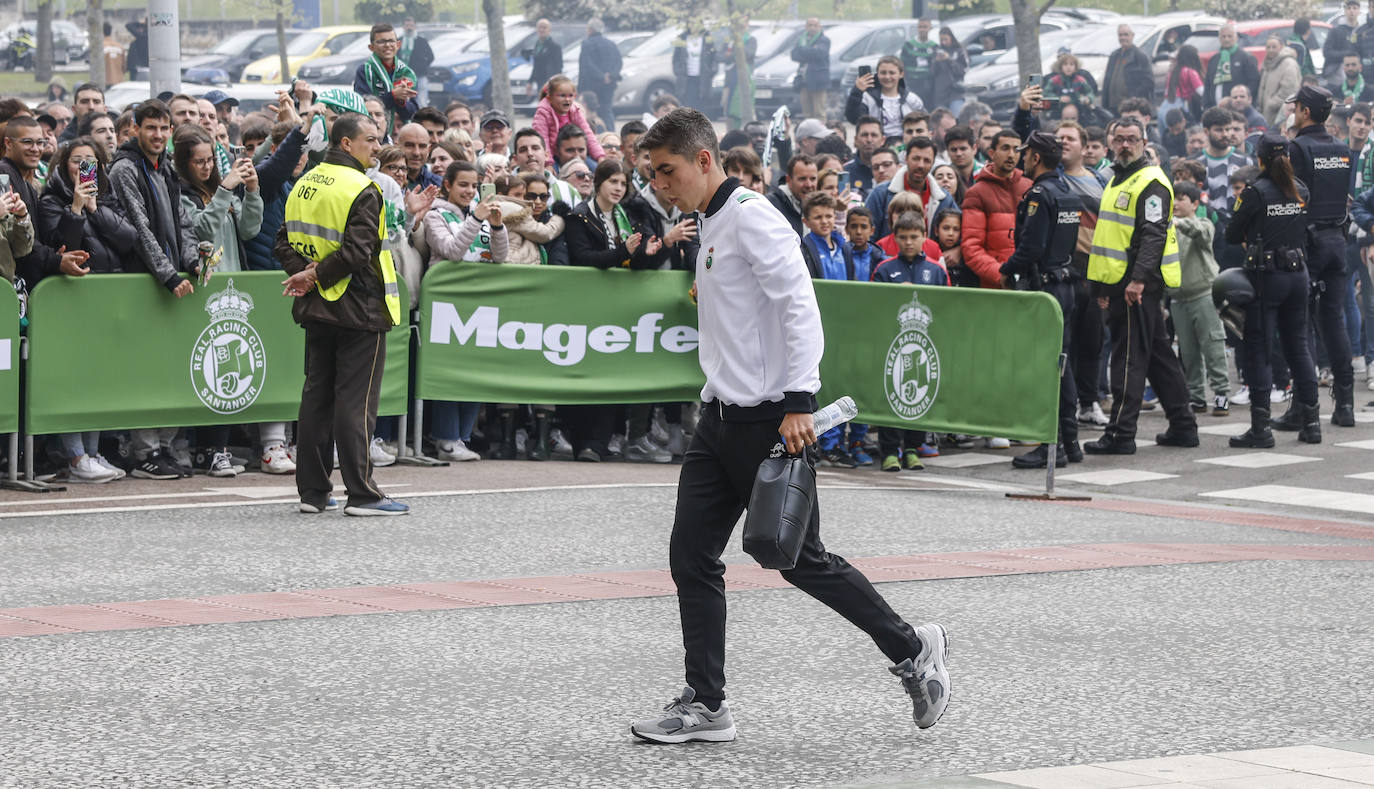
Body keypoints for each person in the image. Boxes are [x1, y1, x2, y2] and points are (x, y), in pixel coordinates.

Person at [629, 107, 949, 744]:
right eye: (651, 174)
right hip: (717, 418)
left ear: (702, 160)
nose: (659, 185)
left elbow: (800, 307)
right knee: (691, 557)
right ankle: (707, 704)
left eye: (666, 171)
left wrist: (800, 400)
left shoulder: (750, 216)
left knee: (799, 560)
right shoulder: (712, 222)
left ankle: (914, 649)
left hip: (771, 420)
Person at [277, 113, 407, 516]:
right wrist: (314, 275)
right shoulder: (363, 188)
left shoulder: (306, 182)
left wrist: (304, 276)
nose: (378, 147)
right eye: (371, 139)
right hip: (360, 306)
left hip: (316, 307)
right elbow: (357, 252)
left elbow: (282, 241)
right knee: (356, 402)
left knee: (316, 398)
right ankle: (364, 494)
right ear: (346, 143)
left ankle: (313, 493)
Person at [1083, 118, 1199, 455]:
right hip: (1121, 282)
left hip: (1137, 285)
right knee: (1159, 356)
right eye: (1118, 139)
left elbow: (1153, 235)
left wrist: (1137, 281)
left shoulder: (1151, 181)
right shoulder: (1121, 178)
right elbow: (1112, 237)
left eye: (1131, 139)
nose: (1124, 145)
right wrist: (1103, 288)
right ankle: (1183, 425)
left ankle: (1120, 434)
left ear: (1144, 142)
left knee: (1129, 359)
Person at [107, 100, 202, 480]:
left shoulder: (167, 170)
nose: (159, 135)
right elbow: (138, 229)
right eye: (151, 128)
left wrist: (193, 261)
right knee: (146, 370)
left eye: (164, 128)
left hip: (172, 280)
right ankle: (143, 452)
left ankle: (163, 445)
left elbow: (184, 225)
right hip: (143, 283)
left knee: (170, 368)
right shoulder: (125, 169)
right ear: (135, 129)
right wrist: (167, 274)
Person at [1226, 133, 1323, 447]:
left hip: (1267, 278)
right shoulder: (1302, 190)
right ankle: (1311, 424)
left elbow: (1231, 233)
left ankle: (1260, 429)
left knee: (1260, 350)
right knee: (1299, 348)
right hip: (1298, 273)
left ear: (1260, 160)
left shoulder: (1255, 192)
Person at [999, 132, 1084, 469]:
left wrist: (1006, 269)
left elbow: (1031, 248)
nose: (1022, 158)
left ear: (1034, 157)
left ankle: (1053, 445)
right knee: (1062, 365)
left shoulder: (1039, 194)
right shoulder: (1067, 191)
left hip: (1046, 289)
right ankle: (1071, 440)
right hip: (1066, 284)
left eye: (1026, 153)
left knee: (1048, 369)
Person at [1285, 85, 1358, 428]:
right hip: (1336, 242)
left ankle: (1303, 406)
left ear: (1304, 111)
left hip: (1307, 244)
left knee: (1299, 328)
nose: (1293, 111)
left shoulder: (1298, 147)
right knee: (1334, 321)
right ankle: (1345, 405)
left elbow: (1293, 199)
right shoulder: (1342, 148)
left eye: (1296, 106)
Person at [1168, 180, 1232, 416]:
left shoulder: (1203, 224)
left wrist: (1178, 223)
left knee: (1213, 345)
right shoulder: (1168, 230)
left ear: (1195, 204)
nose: (1175, 203)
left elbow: (1202, 234)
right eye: (1173, 198)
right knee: (1188, 352)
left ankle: (1221, 394)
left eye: (1181, 198)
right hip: (1178, 299)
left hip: (1203, 294)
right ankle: (1196, 396)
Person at [960, 129, 1030, 290]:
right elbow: (972, 248)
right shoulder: (977, 193)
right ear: (991, 153)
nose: (1011, 155)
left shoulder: (1029, 187)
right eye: (1005, 148)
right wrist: (1001, 276)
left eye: (1016, 149)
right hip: (994, 286)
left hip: (1030, 283)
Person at [864, 136, 957, 239]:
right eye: (916, 159)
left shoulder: (944, 198)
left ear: (933, 163)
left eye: (926, 160)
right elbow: (867, 237)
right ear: (906, 158)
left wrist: (956, 249)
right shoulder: (881, 194)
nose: (920, 165)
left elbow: (960, 230)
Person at [355, 23, 419, 139]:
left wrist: (401, 100)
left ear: (398, 44)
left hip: (401, 134)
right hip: (371, 133)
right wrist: (393, 95)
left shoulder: (407, 73)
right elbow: (362, 108)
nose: (387, 45)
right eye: (381, 42)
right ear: (371, 47)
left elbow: (411, 112)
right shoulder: (365, 71)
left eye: (391, 41)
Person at [845, 56, 924, 141]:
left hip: (905, 147)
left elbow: (924, 126)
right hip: (877, 147)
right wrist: (856, 91)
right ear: (877, 74)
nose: (887, 77)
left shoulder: (912, 99)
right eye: (883, 73)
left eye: (892, 73)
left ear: (901, 74)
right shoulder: (867, 98)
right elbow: (853, 118)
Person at [535, 78, 605, 168]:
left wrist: (600, 156)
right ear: (550, 98)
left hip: (575, 155)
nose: (567, 99)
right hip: (553, 156)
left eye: (571, 95)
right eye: (562, 96)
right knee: (553, 177)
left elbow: (588, 134)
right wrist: (548, 163)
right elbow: (543, 140)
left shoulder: (575, 110)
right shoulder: (542, 113)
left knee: (595, 168)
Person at [579, 18, 622, 127]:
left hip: (592, 85)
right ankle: (611, 137)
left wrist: (601, 76)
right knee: (607, 111)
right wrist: (611, 76)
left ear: (590, 29)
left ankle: (596, 137)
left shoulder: (586, 43)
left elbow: (587, 64)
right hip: (609, 85)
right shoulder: (611, 44)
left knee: (592, 112)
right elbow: (619, 62)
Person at [1206, 24, 1262, 108]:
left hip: (1238, 108)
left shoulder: (1246, 58)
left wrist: (1237, 99)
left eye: (1230, 36)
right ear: (1219, 38)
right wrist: (1205, 105)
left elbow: (1254, 83)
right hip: (1215, 108)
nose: (1226, 39)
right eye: (1223, 36)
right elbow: (1208, 84)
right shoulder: (1214, 59)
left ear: (1236, 37)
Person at [1103, 25, 1155, 113]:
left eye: (1126, 35)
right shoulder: (1114, 55)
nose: (1123, 37)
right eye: (1120, 35)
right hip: (1113, 107)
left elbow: (1148, 82)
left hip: (1129, 108)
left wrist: (1133, 99)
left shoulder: (1139, 56)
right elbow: (1107, 81)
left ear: (1132, 36)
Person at [721, 15, 757, 130]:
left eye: (744, 22)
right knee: (728, 110)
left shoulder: (751, 40)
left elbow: (746, 54)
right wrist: (733, 55)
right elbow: (720, 56)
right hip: (729, 80)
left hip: (743, 81)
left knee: (742, 110)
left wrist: (731, 55)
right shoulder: (729, 40)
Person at [672, 21, 716, 113]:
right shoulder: (682, 38)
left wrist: (712, 70)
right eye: (691, 23)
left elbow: (713, 56)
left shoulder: (707, 38)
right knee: (687, 105)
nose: (694, 26)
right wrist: (678, 71)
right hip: (686, 78)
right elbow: (676, 57)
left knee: (701, 105)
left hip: (703, 77)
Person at [791, 18, 830, 121]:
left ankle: (820, 135)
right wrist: (810, 52)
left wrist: (803, 51)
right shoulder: (802, 40)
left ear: (819, 27)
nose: (812, 27)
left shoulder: (824, 40)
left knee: (819, 112)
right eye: (810, 25)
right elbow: (794, 55)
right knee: (807, 113)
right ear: (806, 27)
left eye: (815, 25)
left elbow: (819, 53)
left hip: (818, 81)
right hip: (804, 81)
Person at [1258, 37, 1302, 128]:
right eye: (1268, 47)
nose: (1271, 50)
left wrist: (1270, 105)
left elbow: (1289, 91)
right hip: (1266, 114)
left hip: (1280, 114)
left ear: (1281, 47)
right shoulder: (1268, 64)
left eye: (1274, 47)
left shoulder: (1289, 64)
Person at [1047, 53, 1096, 122]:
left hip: (1080, 113)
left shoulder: (1081, 80)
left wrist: (1088, 99)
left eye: (1071, 64)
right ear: (1061, 67)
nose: (1068, 67)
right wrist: (1059, 98)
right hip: (1058, 114)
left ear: (1076, 67)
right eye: (1065, 64)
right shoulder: (1054, 81)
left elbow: (1090, 92)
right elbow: (1045, 94)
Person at [900, 18, 938, 105]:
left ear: (930, 28)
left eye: (925, 27)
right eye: (920, 27)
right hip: (911, 82)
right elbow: (901, 65)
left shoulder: (934, 46)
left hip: (927, 84)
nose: (922, 29)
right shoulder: (909, 45)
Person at [399, 17, 435, 107]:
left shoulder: (421, 41)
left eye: (411, 25)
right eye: (407, 25)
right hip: (404, 77)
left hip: (420, 75)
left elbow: (431, 56)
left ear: (415, 26)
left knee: (421, 101)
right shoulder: (399, 41)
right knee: (405, 100)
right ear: (403, 27)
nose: (409, 28)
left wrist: (422, 66)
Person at [1327, 0, 1363, 84]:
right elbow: (1327, 52)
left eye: (1354, 8)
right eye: (1349, 8)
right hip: (1338, 74)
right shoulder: (1336, 31)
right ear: (1345, 10)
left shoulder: (1362, 31)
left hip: (1359, 73)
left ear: (1359, 11)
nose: (1351, 11)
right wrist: (1346, 55)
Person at [527, 19, 563, 92]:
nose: (541, 30)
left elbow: (559, 67)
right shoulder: (537, 46)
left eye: (544, 28)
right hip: (540, 82)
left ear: (549, 30)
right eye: (539, 27)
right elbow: (536, 66)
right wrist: (530, 81)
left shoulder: (554, 47)